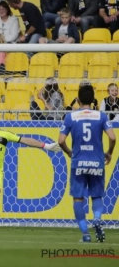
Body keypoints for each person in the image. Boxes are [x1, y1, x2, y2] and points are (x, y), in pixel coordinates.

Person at [58, 85, 116, 242]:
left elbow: (61, 141)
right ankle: (97, 218)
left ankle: (85, 235)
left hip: (78, 163)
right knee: (96, 195)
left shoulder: (71, 117)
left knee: (78, 198)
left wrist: (70, 152)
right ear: (93, 100)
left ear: (77, 99)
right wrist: (109, 152)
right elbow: (112, 137)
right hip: (96, 162)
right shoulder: (101, 116)